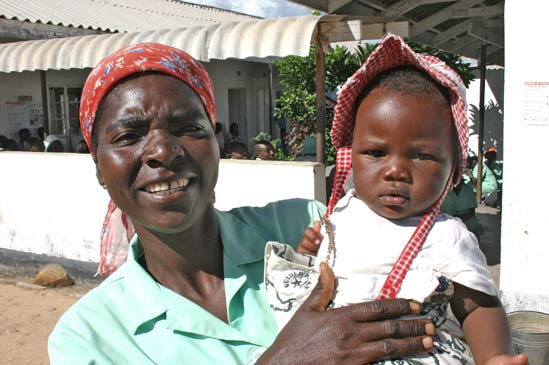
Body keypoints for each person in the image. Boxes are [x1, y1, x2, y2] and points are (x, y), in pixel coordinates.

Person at [48, 43, 436, 365]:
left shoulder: (307, 226)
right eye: (129, 135)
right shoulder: (88, 338)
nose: (163, 152)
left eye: (188, 129)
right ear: (98, 165)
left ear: (217, 142)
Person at [265, 35, 527, 365]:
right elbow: (324, 272)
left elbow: (477, 305)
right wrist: (308, 252)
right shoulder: (345, 210)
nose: (395, 171)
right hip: (329, 347)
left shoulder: (446, 235)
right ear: (350, 155)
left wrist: (495, 355)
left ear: (452, 167)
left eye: (421, 156)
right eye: (375, 152)